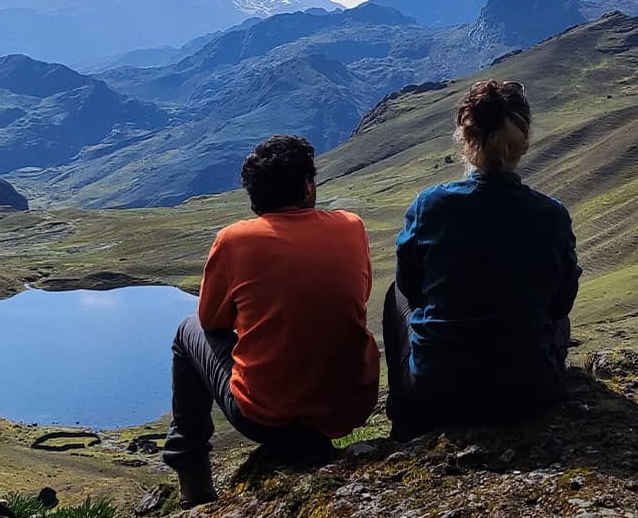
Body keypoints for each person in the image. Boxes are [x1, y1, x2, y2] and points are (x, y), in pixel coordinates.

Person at [163, 135, 379, 507]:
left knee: (188, 331)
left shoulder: (234, 240)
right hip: (351, 406)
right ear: (308, 187)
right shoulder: (351, 226)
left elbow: (211, 320)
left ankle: (192, 473)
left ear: (254, 195)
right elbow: (359, 296)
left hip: (266, 417)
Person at [383, 79, 581, 440]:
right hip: (530, 392)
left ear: (465, 136)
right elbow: (561, 302)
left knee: (393, 295)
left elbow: (410, 288)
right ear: (524, 141)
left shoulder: (430, 205)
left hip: (439, 390)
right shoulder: (551, 214)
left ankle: (404, 415)